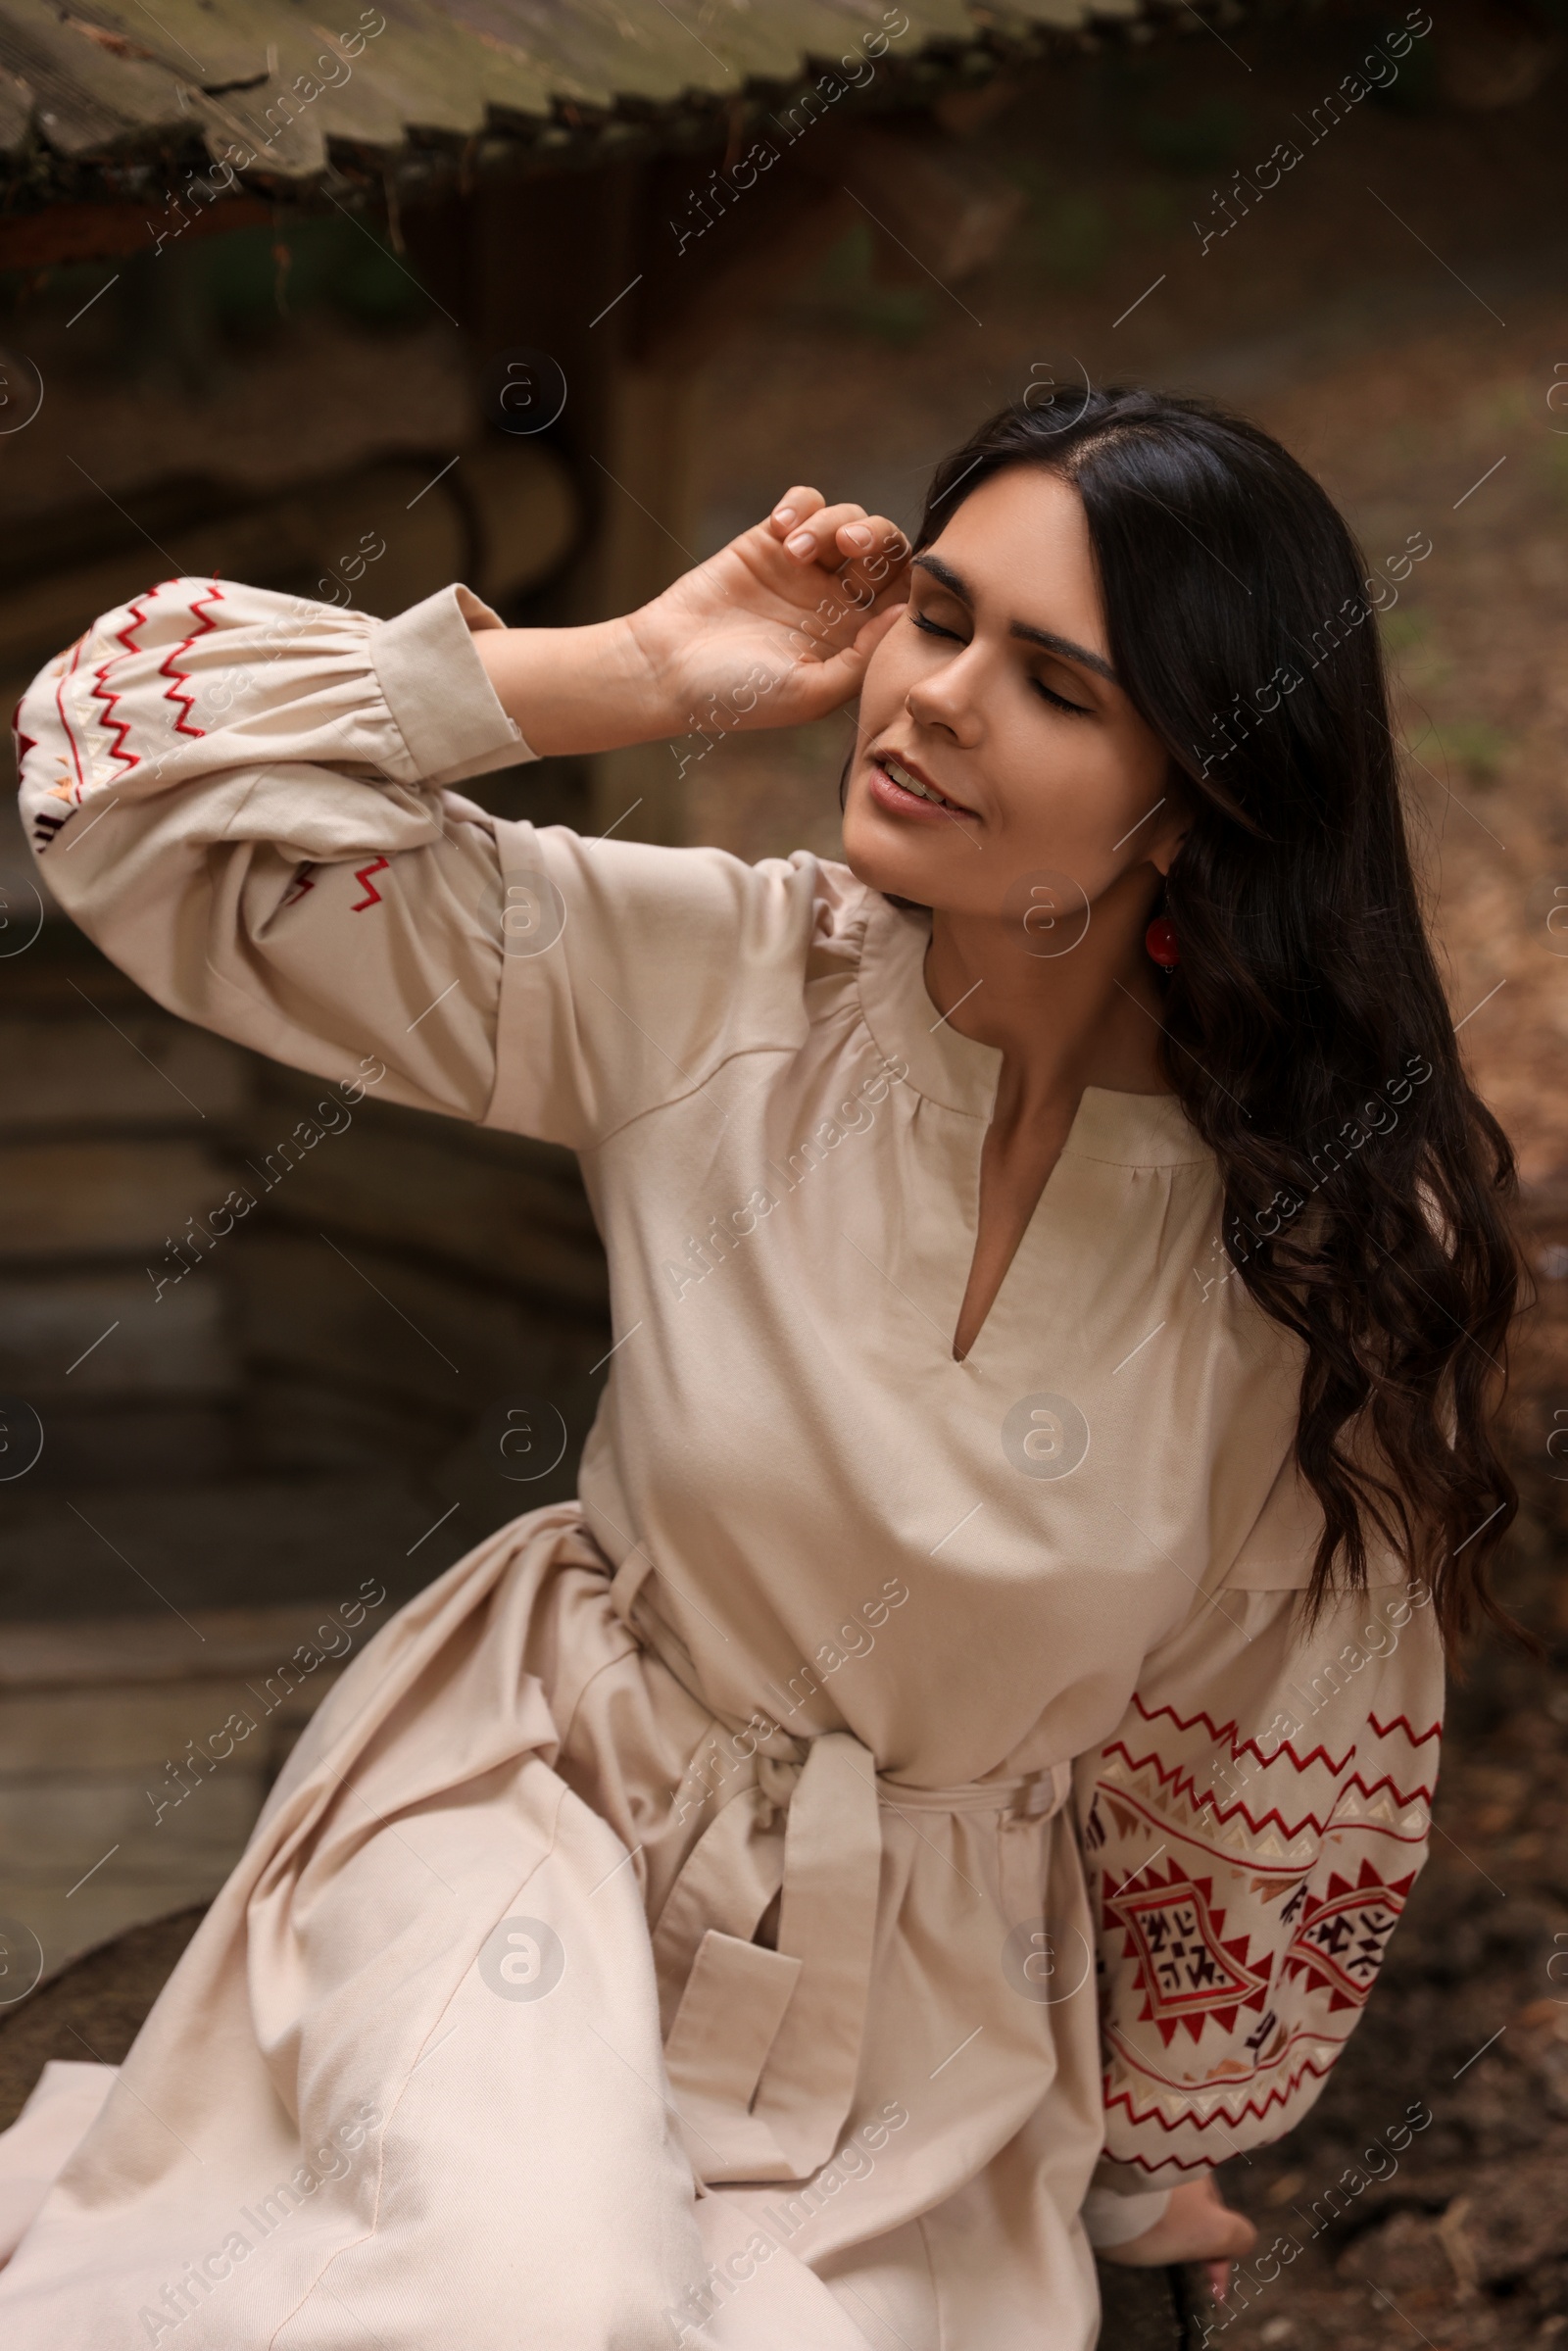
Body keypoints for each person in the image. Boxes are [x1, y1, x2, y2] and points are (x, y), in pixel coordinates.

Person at [0, 386, 1518, 2350]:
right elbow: (117, 772)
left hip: (927, 2020)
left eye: (1056, 684)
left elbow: (1242, 1747)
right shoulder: (708, 984)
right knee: (523, 2302)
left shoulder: (1310, 1257)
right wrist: (626, 672)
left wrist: (1141, 2168)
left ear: (1213, 788)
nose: (940, 698)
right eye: (938, 614)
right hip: (526, 1818)